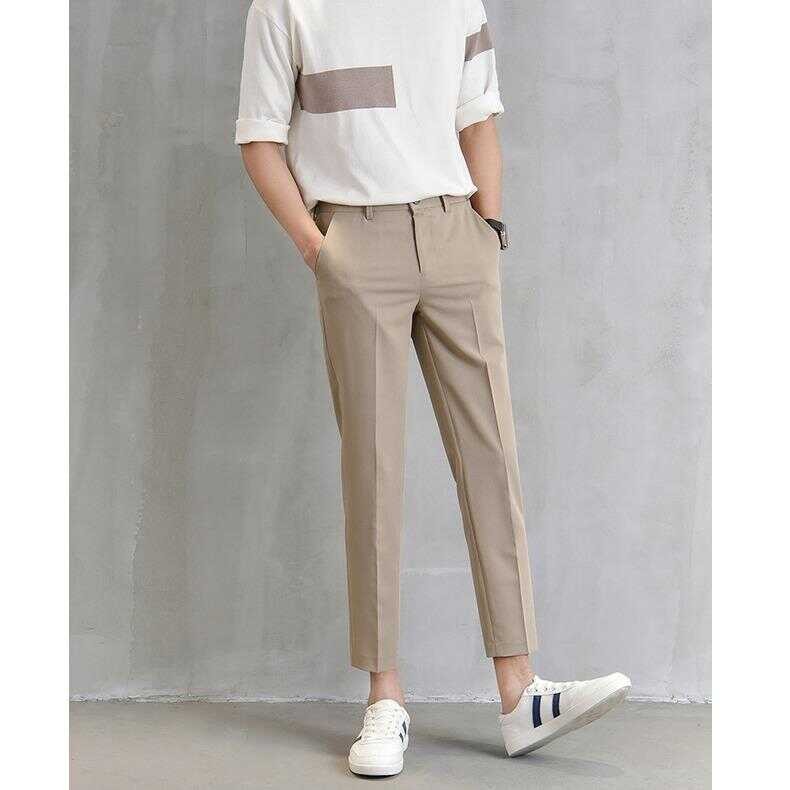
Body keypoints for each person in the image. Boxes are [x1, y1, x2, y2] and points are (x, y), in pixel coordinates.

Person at [236, 0, 629, 777]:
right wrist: (320, 249)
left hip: (457, 236)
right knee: (374, 467)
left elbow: (477, 116)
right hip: (355, 240)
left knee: (492, 457)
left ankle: (519, 691)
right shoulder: (285, 6)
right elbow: (259, 139)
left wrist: (489, 228)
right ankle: (385, 697)